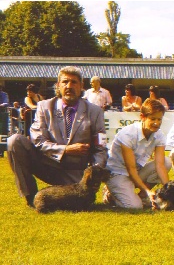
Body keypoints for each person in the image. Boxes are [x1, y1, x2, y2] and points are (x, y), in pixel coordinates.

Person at [7, 66, 108, 208]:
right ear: (58, 85)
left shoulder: (95, 111)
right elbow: (38, 140)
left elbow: (101, 148)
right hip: (47, 166)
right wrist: (65, 149)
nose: (69, 86)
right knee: (14, 141)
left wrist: (95, 173)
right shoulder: (44, 106)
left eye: (74, 82)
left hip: (78, 173)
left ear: (81, 86)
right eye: (65, 82)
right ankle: (31, 197)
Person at [103, 99, 171, 209]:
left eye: (159, 119)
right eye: (153, 119)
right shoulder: (128, 135)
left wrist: (169, 190)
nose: (157, 123)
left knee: (167, 162)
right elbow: (131, 169)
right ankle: (110, 194)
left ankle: (142, 196)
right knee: (135, 207)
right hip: (118, 173)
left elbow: (160, 165)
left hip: (137, 170)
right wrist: (148, 191)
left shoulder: (159, 135)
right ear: (142, 117)